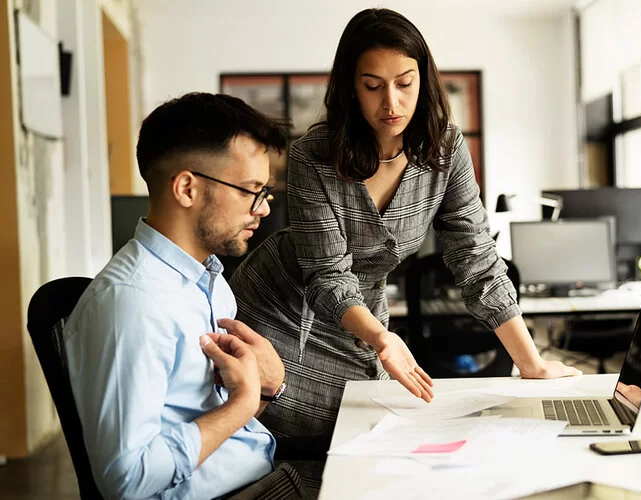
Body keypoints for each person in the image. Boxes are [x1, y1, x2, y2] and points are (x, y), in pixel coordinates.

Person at [230, 8, 581, 489]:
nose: (391, 102)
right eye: (373, 85)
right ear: (350, 88)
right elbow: (328, 275)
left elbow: (477, 259)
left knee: (364, 435)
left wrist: (531, 363)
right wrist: (381, 339)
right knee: (306, 430)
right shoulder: (313, 156)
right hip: (283, 302)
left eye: (405, 83)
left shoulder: (445, 150)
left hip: (364, 312)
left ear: (425, 80)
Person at [64, 93, 303, 499]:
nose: (263, 209)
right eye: (251, 190)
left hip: (259, 477)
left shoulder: (209, 283)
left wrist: (265, 389)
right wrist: (242, 404)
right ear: (187, 188)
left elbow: (217, 423)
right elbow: (127, 480)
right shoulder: (133, 303)